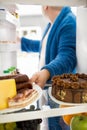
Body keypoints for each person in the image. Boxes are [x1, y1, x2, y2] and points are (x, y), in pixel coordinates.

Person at [17, 6, 76, 130]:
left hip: (60, 96)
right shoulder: (52, 25)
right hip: (48, 93)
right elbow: (45, 46)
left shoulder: (68, 21)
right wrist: (21, 42)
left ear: (45, 6)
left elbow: (67, 56)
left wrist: (47, 72)